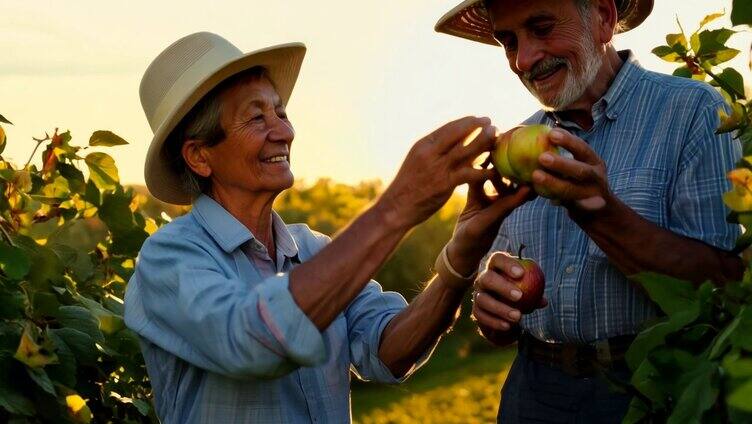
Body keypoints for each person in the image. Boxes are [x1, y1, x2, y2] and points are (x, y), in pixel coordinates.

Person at [123, 32, 531, 423]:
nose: (284, 132)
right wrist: (397, 207)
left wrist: (460, 257)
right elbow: (250, 340)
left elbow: (388, 349)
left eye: (280, 111)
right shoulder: (170, 258)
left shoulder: (314, 250)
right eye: (256, 118)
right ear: (199, 156)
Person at [435, 0, 745, 422]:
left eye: (541, 27)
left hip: (647, 389)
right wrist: (494, 307)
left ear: (602, 18)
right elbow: (505, 299)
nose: (523, 59)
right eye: (507, 42)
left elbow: (726, 286)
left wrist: (603, 215)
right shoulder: (516, 147)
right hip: (532, 388)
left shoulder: (694, 111)